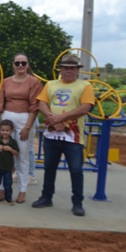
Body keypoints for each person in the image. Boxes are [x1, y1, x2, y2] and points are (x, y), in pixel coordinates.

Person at [32, 54, 95, 217]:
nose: (68, 71)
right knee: (49, 168)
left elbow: (85, 108)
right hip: (51, 134)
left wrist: (61, 118)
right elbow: (41, 103)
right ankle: (46, 197)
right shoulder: (50, 84)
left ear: (77, 70)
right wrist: (52, 119)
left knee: (76, 170)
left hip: (73, 136)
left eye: (72, 68)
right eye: (65, 68)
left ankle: (77, 202)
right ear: (60, 69)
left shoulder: (85, 86)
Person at [0, 53, 43, 203]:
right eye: (17, 63)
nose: (20, 65)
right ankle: (2, 188)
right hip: (6, 119)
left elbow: (35, 107)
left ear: (28, 65)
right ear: (13, 64)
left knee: (22, 157)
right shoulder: (5, 82)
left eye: (23, 63)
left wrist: (27, 127)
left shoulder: (34, 82)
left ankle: (22, 190)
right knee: (3, 153)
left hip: (25, 118)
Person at [0, 119, 19, 205]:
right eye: (3, 130)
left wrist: (10, 149)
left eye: (7, 130)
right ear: (0, 130)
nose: (5, 132)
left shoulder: (13, 142)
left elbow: (16, 152)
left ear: (11, 131)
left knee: (8, 184)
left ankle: (8, 198)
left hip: (8, 167)